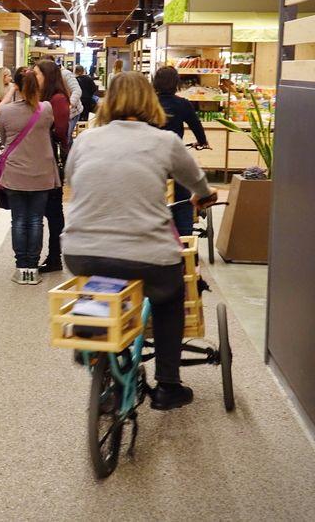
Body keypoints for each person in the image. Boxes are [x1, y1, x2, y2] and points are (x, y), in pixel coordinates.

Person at [62, 71, 217, 410]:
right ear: (148, 101)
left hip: (81, 250)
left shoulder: (86, 139)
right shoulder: (165, 142)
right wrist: (203, 196)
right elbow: (198, 184)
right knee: (169, 296)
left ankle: (97, 350)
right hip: (148, 254)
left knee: (101, 283)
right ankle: (167, 385)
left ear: (107, 102)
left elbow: (71, 178)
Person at [0, 67, 56, 284]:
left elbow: (4, 140)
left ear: (17, 86)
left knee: (19, 220)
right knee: (36, 220)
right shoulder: (46, 108)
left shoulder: (6, 112)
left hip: (15, 173)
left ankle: (21, 266)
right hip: (42, 173)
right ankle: (33, 266)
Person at [153, 65, 210, 237]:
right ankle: (185, 239)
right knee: (184, 199)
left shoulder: (148, 104)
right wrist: (202, 142)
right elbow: (197, 127)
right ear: (176, 83)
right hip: (174, 160)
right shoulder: (183, 104)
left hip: (151, 161)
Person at [35, 60, 72, 273]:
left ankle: (55, 256)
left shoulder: (57, 99)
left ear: (47, 76)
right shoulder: (49, 98)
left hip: (51, 162)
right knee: (49, 210)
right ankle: (51, 255)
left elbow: (59, 131)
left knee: (53, 211)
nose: (35, 79)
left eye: (38, 75)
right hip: (43, 160)